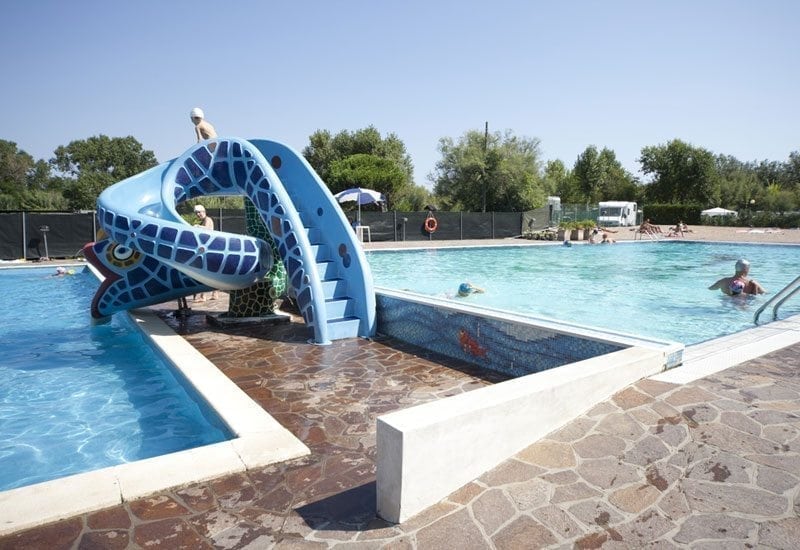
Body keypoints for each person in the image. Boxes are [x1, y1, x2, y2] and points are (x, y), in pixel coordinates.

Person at [193, 205, 218, 301]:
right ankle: (214, 293)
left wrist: (197, 226)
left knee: (204, 272)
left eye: (199, 212)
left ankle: (203, 296)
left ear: (204, 211)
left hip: (208, 249)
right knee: (209, 273)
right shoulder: (203, 221)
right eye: (196, 213)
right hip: (207, 249)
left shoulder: (208, 220)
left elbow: (208, 229)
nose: (198, 214)